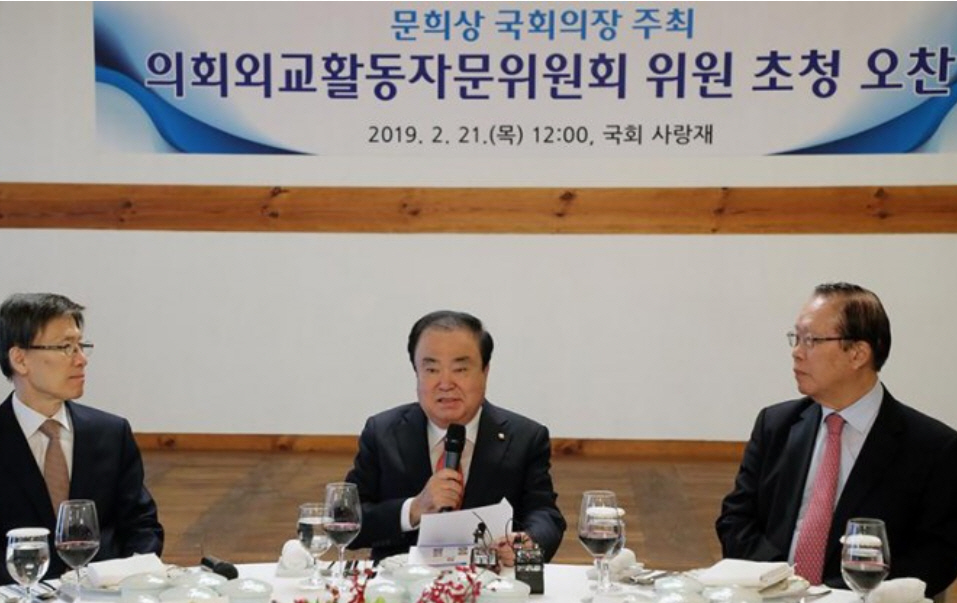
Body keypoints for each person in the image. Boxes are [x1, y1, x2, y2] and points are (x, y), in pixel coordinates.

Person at [716, 283, 957, 597]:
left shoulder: (932, 448)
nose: (796, 352)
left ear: (857, 354)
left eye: (811, 340)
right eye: (796, 338)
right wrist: (784, 585)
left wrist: (835, 595)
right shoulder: (775, 425)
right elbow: (736, 519)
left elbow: (937, 556)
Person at [345, 310, 566, 565]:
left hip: (491, 580)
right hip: (402, 582)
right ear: (416, 373)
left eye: (460, 369)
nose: (445, 383)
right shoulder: (382, 433)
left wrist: (530, 541)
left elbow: (545, 514)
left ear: (485, 371)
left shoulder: (525, 437)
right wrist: (414, 509)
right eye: (431, 369)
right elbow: (347, 520)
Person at [0, 293, 163, 583]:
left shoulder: (110, 432)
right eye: (65, 347)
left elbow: (141, 525)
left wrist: (129, 578)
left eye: (81, 346)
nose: (81, 360)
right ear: (20, 359)